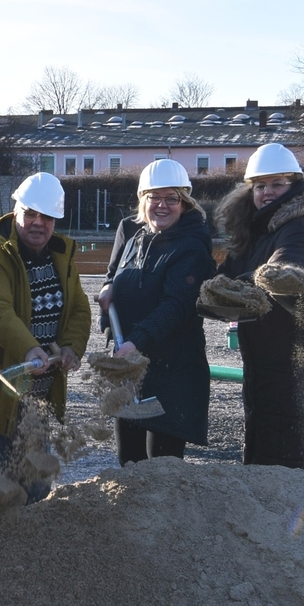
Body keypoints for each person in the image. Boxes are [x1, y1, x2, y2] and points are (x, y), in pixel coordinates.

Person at [215, 142, 304, 482]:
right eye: (260, 186)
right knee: (272, 459)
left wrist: (262, 280)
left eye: (277, 184)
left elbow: (291, 265)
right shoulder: (257, 230)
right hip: (269, 364)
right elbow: (228, 276)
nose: (268, 192)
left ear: (295, 186)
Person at [0, 172, 91, 505]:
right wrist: (28, 347)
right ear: (15, 210)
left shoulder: (61, 258)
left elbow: (78, 310)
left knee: (34, 497)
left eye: (46, 217)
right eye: (30, 213)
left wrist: (72, 348)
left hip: (37, 407)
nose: (38, 223)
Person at [97, 159, 215, 464]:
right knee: (130, 464)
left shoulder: (191, 246)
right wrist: (110, 287)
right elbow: (116, 275)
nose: (162, 205)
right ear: (142, 199)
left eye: (171, 198)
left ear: (184, 202)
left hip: (172, 371)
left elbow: (176, 306)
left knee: (163, 471)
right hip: (132, 370)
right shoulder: (134, 234)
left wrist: (136, 341)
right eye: (154, 197)